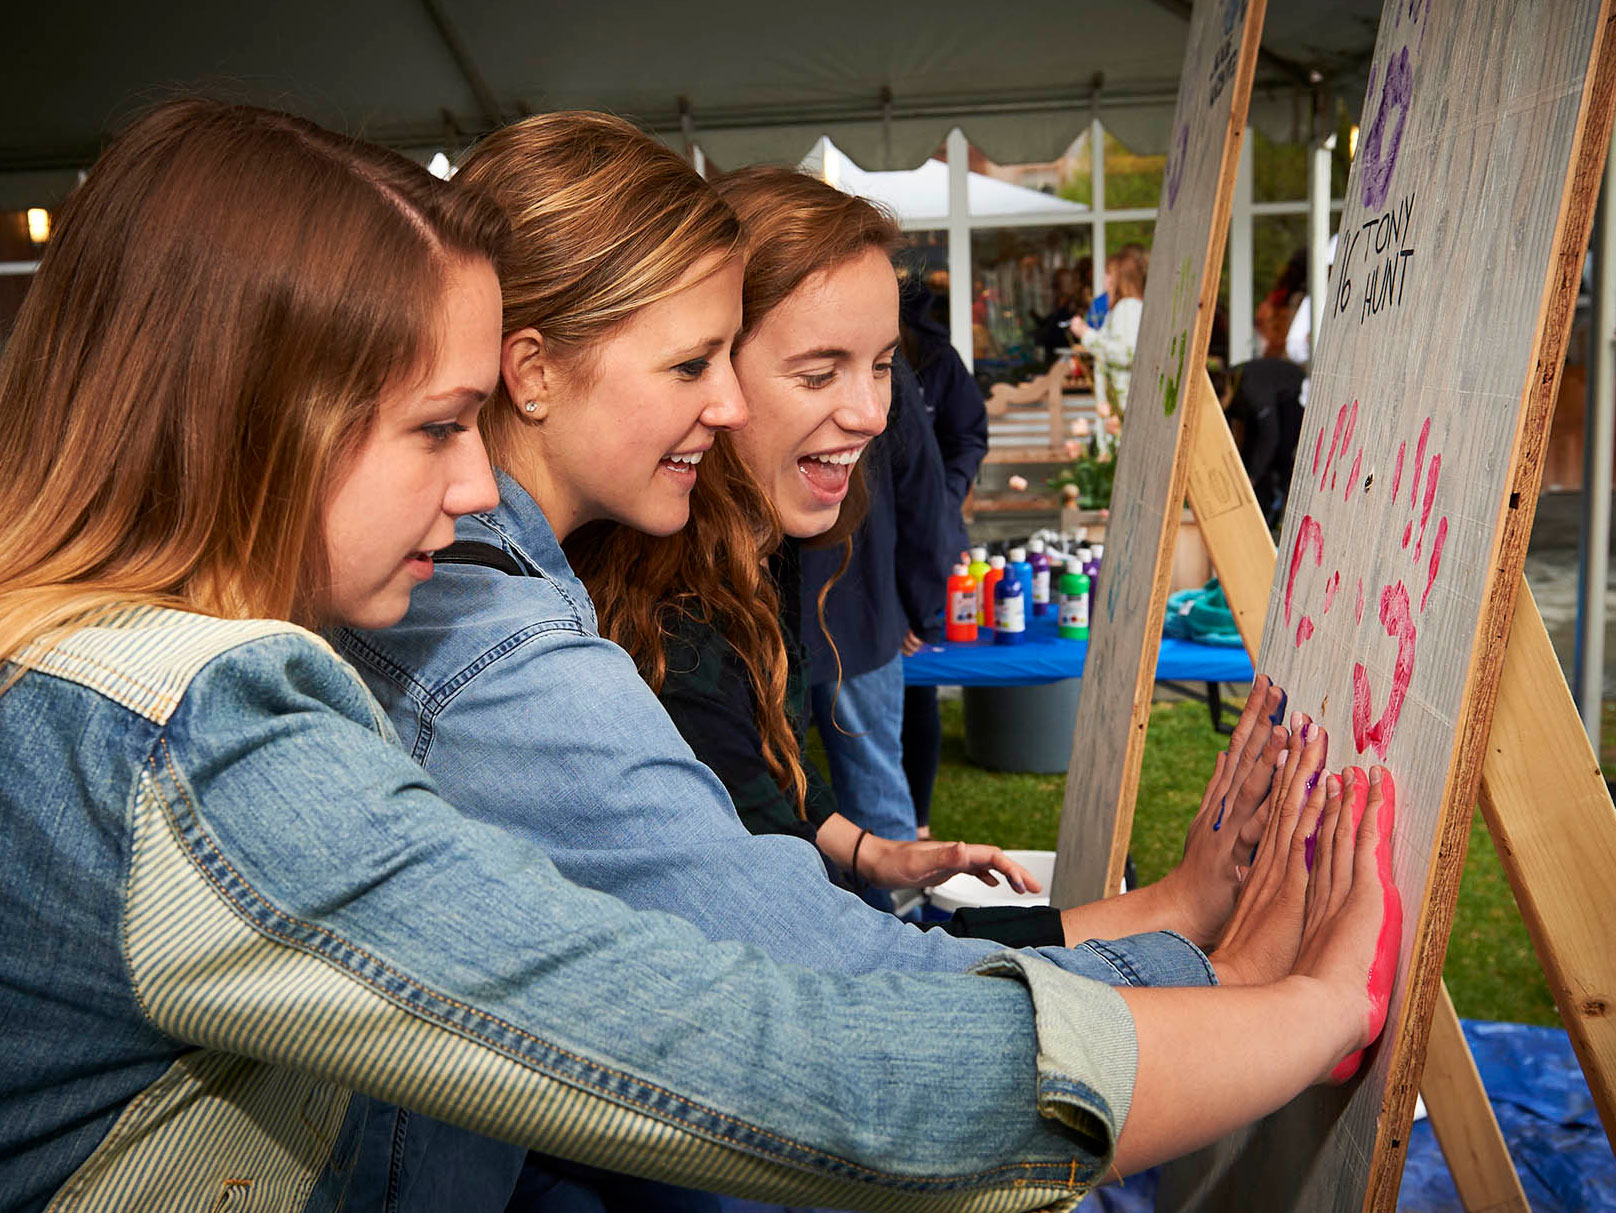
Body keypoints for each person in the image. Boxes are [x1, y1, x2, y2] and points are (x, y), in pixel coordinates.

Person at [0, 98, 1395, 1213]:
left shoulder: (126, 673)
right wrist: (1280, 1007)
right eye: (438, 425)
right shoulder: (206, 726)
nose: (476, 482)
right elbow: (751, 1046)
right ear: (254, 419)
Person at [898, 277, 989, 837]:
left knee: (917, 692)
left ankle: (919, 822)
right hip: (864, 548)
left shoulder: (938, 360)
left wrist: (947, 489)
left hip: (928, 540)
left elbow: (969, 436)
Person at [1070, 245, 1146, 414]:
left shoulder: (1128, 307)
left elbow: (1126, 354)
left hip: (1124, 406)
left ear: (1118, 278)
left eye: (1108, 274)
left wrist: (1086, 334)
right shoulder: (1123, 307)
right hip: (1119, 406)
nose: (1104, 278)